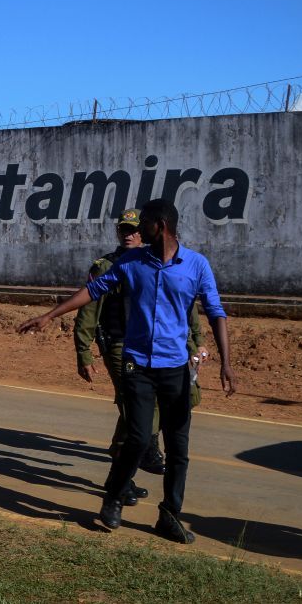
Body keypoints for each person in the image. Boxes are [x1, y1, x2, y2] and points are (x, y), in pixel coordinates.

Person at [19, 199, 235, 544]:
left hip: (175, 369)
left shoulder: (196, 265)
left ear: (159, 225)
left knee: (178, 448)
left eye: (143, 224)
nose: (135, 232)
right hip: (137, 365)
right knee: (137, 438)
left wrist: (226, 362)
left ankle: (169, 515)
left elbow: (215, 311)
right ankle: (114, 496)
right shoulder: (131, 263)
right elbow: (92, 291)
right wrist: (49, 315)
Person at [73, 210, 209, 503]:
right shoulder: (109, 265)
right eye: (124, 229)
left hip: (164, 349)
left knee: (168, 405)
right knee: (135, 412)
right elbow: (89, 310)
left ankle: (126, 470)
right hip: (123, 347)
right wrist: (84, 352)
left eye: (135, 229)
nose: (130, 235)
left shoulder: (167, 263)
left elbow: (187, 307)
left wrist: (196, 342)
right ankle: (131, 467)